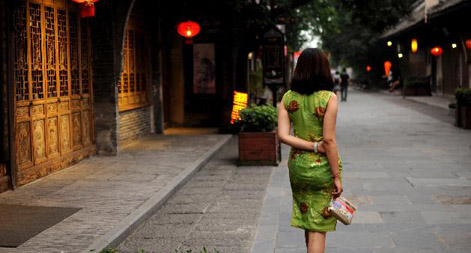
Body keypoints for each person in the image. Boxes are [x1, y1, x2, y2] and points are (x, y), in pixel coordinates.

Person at [278, 48, 343, 253]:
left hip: (297, 167)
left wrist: (310, 145)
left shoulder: (287, 98)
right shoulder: (328, 98)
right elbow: (329, 141)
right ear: (324, 69)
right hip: (321, 169)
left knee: (308, 217)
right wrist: (336, 176)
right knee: (317, 225)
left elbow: (283, 135)